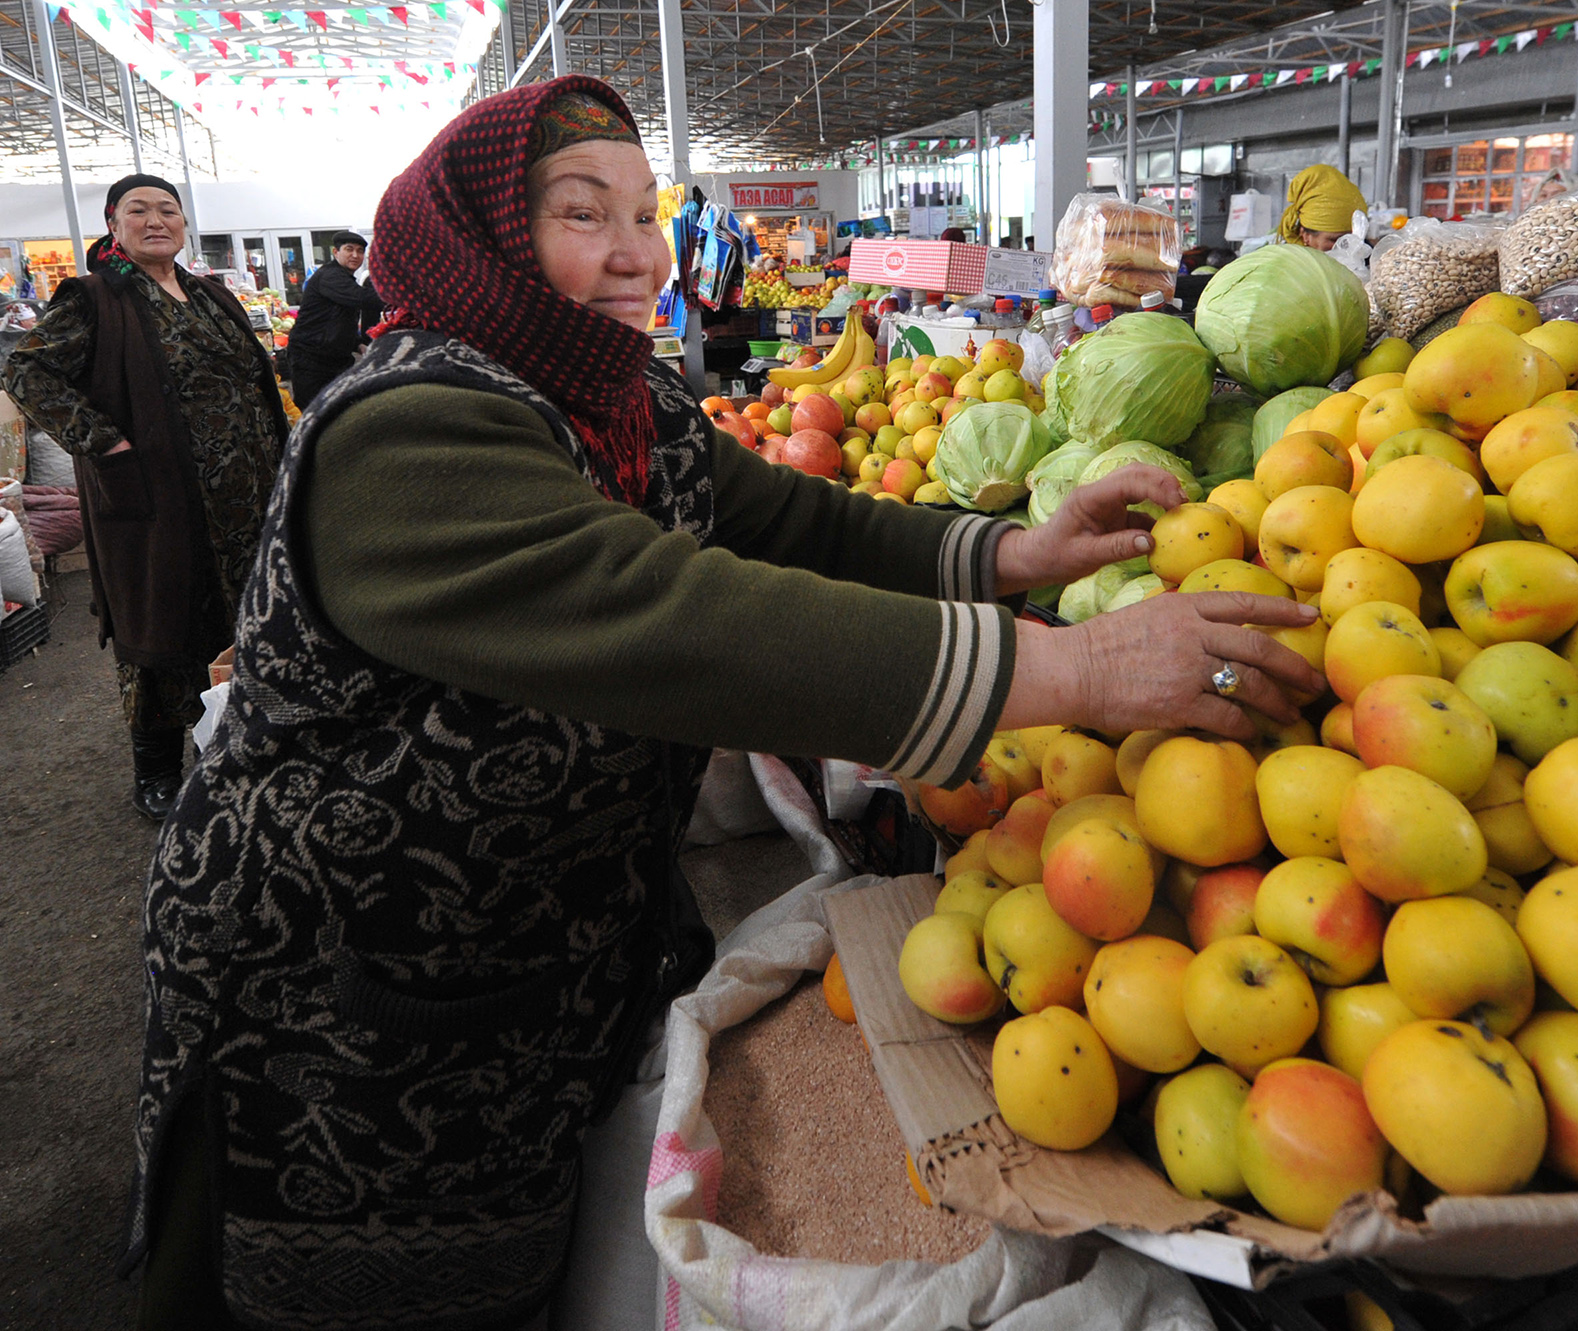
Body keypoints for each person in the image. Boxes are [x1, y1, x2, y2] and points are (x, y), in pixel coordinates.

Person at [124, 77, 1321, 1328]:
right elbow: (674, 618)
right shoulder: (406, 431)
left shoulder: (627, 404)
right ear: (480, 239)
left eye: (647, 212)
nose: (639, 252)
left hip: (535, 941)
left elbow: (793, 524)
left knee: (527, 1252)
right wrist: (1073, 669)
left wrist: (1011, 552)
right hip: (348, 983)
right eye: (584, 214)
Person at [0, 174, 285, 819]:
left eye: (169, 210)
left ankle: (231, 748)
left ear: (185, 224)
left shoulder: (210, 296)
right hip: (160, 499)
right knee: (161, 623)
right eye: (139, 210)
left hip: (246, 502)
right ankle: (155, 766)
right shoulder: (94, 297)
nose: (157, 220)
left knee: (240, 621)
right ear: (113, 222)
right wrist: (101, 442)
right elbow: (24, 368)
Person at [287, 229, 381, 407]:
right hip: (312, 361)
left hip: (336, 359)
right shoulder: (330, 277)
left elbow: (337, 320)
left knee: (338, 408)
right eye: (349, 249)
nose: (355, 255)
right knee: (313, 412)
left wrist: (357, 343)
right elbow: (364, 298)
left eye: (360, 251)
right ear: (336, 252)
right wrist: (401, 293)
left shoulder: (344, 278)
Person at [1279, 163, 1367, 252]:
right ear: (1305, 236)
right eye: (1335, 240)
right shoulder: (1280, 263)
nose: (1349, 249)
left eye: (1356, 240)